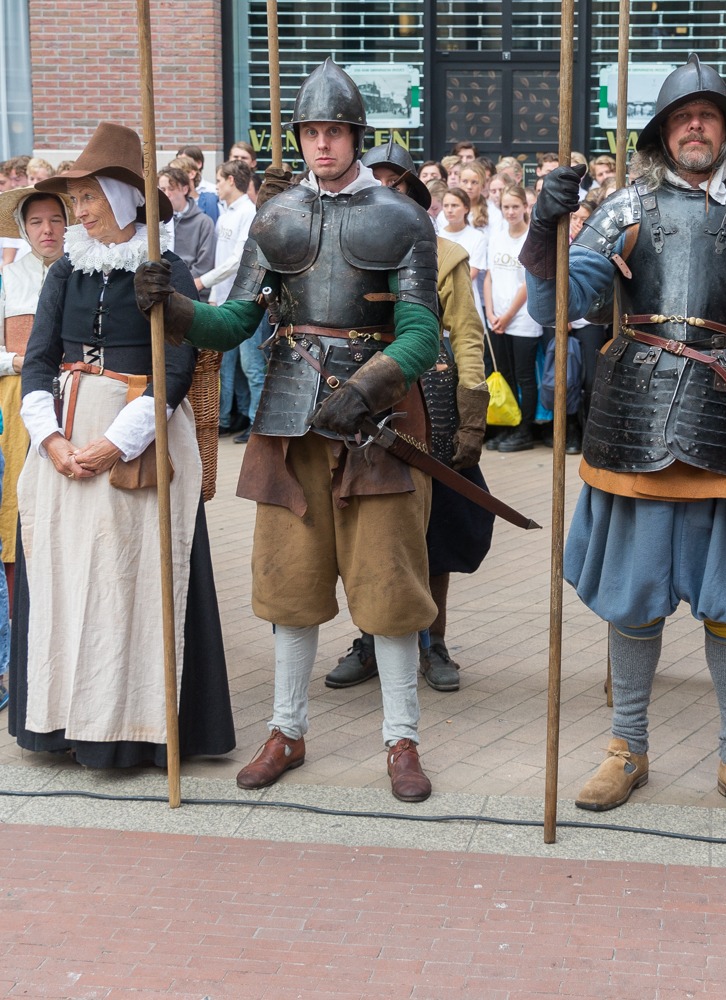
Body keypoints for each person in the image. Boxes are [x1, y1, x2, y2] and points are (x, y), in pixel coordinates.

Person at [520, 54, 726, 824]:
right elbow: (564, 299)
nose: (695, 126)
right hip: (636, 425)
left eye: (708, 115)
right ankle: (627, 745)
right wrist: (544, 228)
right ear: (662, 134)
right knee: (633, 600)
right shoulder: (621, 211)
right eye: (680, 116)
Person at [134, 58, 442, 802]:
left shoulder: (403, 219)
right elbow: (235, 321)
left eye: (334, 130)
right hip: (287, 420)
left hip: (379, 426)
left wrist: (367, 387)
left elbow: (421, 332)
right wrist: (174, 309)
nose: (322, 143)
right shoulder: (275, 218)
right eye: (310, 132)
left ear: (356, 135)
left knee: (389, 590)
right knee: (288, 586)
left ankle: (402, 739)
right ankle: (286, 729)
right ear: (298, 138)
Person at [10, 122, 234, 767]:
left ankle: (133, 727)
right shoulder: (66, 270)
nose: (78, 212)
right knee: (64, 574)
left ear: (122, 196)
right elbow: (39, 361)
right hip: (64, 439)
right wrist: (51, 439)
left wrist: (115, 444)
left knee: (131, 581)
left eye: (88, 197)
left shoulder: (167, 270)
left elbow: (176, 370)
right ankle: (61, 718)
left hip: (143, 438)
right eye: (74, 199)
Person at [324, 142, 491, 694]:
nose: (386, 194)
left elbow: (466, 335)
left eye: (396, 185)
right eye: (377, 184)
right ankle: (371, 639)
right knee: (369, 530)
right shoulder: (338, 245)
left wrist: (471, 412)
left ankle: (433, 641)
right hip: (359, 402)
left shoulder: (444, 255)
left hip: (431, 404)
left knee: (435, 531)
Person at [0, 187, 70, 606]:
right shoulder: (8, 279)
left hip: (76, 398)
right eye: (37, 222)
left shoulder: (84, 272)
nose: (48, 230)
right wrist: (18, 361)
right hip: (18, 401)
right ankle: (20, 600)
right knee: (20, 494)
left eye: (56, 220)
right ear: (23, 229)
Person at [195, 160, 256, 437]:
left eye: (219, 180)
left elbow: (237, 260)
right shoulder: (225, 214)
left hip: (243, 300)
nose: (216, 185)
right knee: (228, 366)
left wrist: (204, 282)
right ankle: (236, 416)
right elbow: (221, 259)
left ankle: (254, 422)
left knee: (251, 366)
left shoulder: (248, 212)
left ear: (231, 180)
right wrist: (213, 295)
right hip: (222, 299)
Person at [483, 184, 543, 452]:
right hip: (497, 319)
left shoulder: (531, 239)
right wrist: (490, 312)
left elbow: (528, 283)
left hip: (522, 320)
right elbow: (489, 276)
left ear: (525, 207)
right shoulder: (496, 236)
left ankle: (524, 430)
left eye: (515, 207)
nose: (510, 212)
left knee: (524, 376)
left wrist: (507, 316)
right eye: (506, 207)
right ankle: (508, 425)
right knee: (504, 374)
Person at [156, 166, 214, 295]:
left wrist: (179, 284)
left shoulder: (203, 222)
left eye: (171, 189)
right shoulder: (157, 221)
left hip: (191, 290)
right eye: (162, 189)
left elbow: (205, 264)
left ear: (185, 189)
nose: (166, 194)